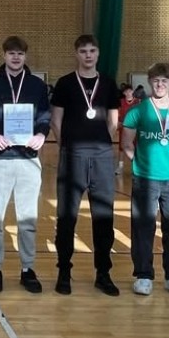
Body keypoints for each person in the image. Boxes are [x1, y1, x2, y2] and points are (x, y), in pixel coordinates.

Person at [0, 36, 50, 293]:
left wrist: (41, 134)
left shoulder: (37, 85)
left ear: (25, 56)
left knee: (27, 219)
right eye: (11, 53)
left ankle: (27, 269)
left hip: (29, 159)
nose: (16, 57)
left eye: (20, 53)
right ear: (4, 55)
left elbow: (45, 116)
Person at [50, 34, 120, 296]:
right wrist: (68, 147)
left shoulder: (109, 84)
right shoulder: (65, 83)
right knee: (66, 217)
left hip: (101, 157)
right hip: (73, 156)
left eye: (92, 50)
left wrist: (100, 144)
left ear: (98, 53)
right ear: (76, 54)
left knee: (103, 218)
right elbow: (56, 121)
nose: (88, 55)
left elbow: (113, 122)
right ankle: (63, 272)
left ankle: (103, 273)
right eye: (83, 51)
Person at [121, 62, 169, 296]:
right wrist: (138, 162)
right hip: (145, 179)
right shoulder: (138, 111)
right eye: (156, 80)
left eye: (164, 80)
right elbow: (126, 143)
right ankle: (143, 275)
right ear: (150, 82)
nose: (160, 84)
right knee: (143, 227)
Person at [116, 83, 138, 175]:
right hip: (124, 127)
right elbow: (117, 113)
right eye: (126, 91)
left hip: (135, 127)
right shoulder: (120, 102)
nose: (128, 93)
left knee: (136, 147)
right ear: (124, 93)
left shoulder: (138, 102)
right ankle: (120, 167)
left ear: (133, 91)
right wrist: (118, 122)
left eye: (130, 91)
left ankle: (135, 167)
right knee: (122, 147)